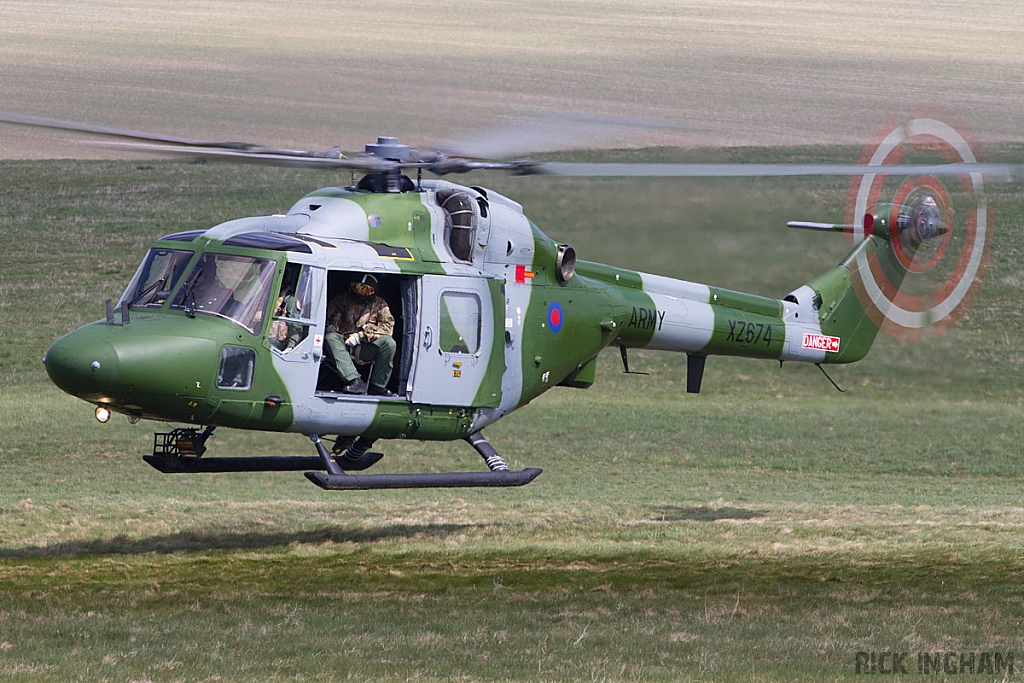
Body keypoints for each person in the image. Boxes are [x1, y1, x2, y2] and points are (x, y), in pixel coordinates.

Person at [324, 274, 396, 395]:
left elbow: (387, 327)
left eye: (366, 290)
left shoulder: (381, 305)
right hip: (343, 343)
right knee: (330, 338)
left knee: (389, 344)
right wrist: (329, 327)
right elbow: (325, 317)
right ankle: (354, 381)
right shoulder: (342, 300)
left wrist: (361, 336)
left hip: (366, 346)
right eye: (358, 287)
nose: (360, 292)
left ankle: (377, 386)